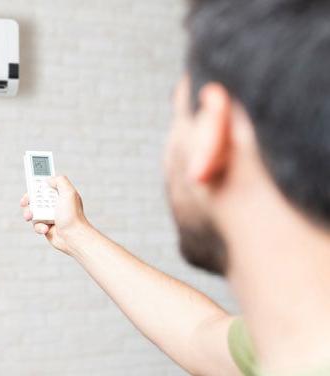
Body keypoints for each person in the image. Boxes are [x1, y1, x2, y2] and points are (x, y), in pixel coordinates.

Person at [20, 1, 330, 375]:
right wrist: (77, 235)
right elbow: (200, 338)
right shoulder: (292, 341)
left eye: (178, 111)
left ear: (212, 132)